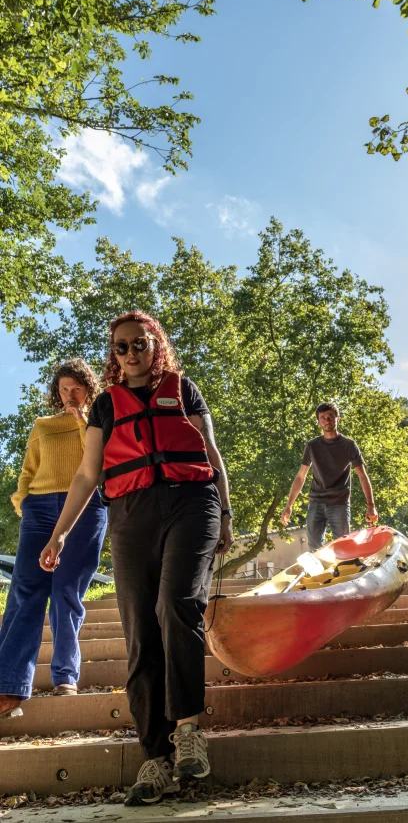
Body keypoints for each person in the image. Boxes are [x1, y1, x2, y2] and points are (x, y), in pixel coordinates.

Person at [38, 311, 234, 806]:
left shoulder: (184, 390)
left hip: (192, 503)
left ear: (156, 344)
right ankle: (155, 755)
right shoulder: (105, 406)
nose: (131, 353)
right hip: (131, 513)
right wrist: (59, 535)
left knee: (176, 606)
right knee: (140, 631)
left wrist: (227, 515)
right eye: (121, 347)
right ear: (114, 355)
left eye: (140, 343)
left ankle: (188, 730)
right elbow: (87, 476)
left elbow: (210, 452)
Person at [0, 359, 107, 719]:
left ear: (88, 388)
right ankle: (8, 686)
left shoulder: (99, 421)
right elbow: (29, 468)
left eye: (76, 388)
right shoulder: (42, 425)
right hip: (40, 507)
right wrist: (23, 500)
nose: (69, 395)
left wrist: (82, 421)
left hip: (86, 507)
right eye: (63, 389)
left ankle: (65, 676)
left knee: (65, 591)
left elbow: (97, 464)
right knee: (26, 590)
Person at [281, 402, 378, 548]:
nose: (327, 420)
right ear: (318, 421)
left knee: (344, 546)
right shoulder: (312, 446)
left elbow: (362, 476)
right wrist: (289, 506)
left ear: (337, 418)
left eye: (330, 417)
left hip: (339, 503)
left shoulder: (349, 445)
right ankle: (320, 571)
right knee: (314, 547)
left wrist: (371, 506)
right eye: (323, 418)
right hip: (316, 502)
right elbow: (301, 476)